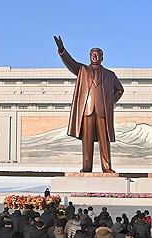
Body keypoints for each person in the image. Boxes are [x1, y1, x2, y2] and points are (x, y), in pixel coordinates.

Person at [54, 35, 124, 173]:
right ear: (89, 56)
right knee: (87, 141)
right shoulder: (82, 70)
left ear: (102, 57)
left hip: (102, 111)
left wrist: (109, 102)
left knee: (105, 141)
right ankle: (87, 166)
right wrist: (62, 50)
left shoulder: (110, 74)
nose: (95, 56)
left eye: (97, 55)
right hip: (87, 110)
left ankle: (106, 167)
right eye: (92, 54)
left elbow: (120, 90)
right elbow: (70, 62)